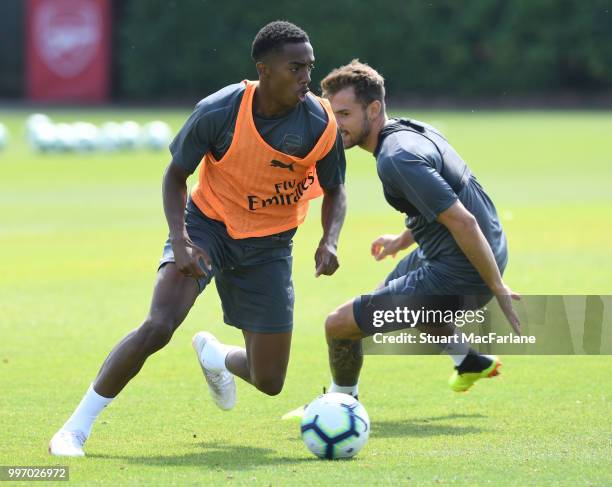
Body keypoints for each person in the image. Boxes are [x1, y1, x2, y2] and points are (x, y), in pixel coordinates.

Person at [49, 21, 347, 457]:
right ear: (264, 71)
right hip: (207, 228)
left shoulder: (320, 122)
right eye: (295, 68)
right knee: (158, 325)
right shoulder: (219, 111)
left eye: (309, 67)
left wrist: (330, 240)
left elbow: (336, 188)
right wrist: (182, 239)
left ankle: (216, 357)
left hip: (271, 247)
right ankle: (74, 429)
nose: (306, 77)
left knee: (269, 381)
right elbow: (175, 176)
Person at [318, 60, 520, 401]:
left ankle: (340, 405)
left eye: (344, 114)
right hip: (470, 250)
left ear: (374, 108)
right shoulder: (414, 130)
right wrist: (404, 238)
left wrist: (496, 287)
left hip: (462, 270)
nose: (336, 125)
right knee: (387, 294)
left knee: (339, 325)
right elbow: (440, 201)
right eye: (332, 114)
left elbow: (463, 221)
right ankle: (468, 360)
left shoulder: (395, 159)